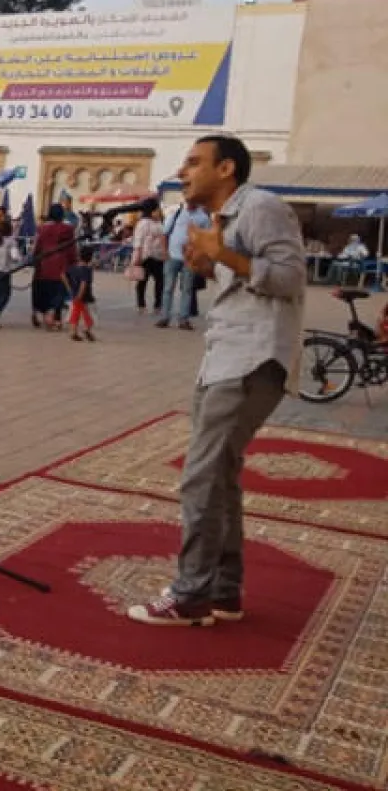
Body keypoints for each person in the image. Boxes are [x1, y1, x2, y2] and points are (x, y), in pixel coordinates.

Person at [128, 135, 307, 627]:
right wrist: (209, 264)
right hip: (225, 355)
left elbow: (290, 278)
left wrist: (224, 256)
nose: (182, 172)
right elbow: (246, 282)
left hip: (252, 358)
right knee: (220, 476)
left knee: (201, 475)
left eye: (193, 162)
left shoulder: (261, 207)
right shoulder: (221, 219)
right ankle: (224, 592)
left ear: (226, 168)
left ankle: (191, 595)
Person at [156, 202, 209, 331]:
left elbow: (206, 238)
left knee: (187, 289)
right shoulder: (176, 213)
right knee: (168, 288)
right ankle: (164, 317)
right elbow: (164, 234)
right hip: (172, 257)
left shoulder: (203, 217)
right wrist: (165, 252)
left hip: (190, 259)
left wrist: (198, 254)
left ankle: (184, 319)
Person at [31, 203, 76, 330]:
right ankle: (55, 319)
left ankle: (43, 315)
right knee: (58, 294)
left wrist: (34, 259)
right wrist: (73, 262)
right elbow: (71, 248)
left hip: (43, 265)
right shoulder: (68, 229)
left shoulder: (42, 228)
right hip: (60, 266)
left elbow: (37, 246)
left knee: (43, 292)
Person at [131, 203, 166, 315]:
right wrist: (138, 255)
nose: (159, 212)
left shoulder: (160, 223)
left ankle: (158, 305)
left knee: (160, 282)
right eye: (157, 210)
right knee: (142, 281)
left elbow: (164, 238)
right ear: (151, 211)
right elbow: (138, 240)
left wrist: (165, 252)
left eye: (159, 211)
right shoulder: (143, 223)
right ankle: (141, 305)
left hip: (158, 256)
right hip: (145, 256)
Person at [66, 245, 97, 342]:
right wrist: (80, 295)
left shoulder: (73, 268)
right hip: (84, 296)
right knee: (89, 314)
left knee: (76, 313)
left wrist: (70, 289)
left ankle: (74, 332)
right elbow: (83, 283)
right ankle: (87, 329)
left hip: (74, 294)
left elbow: (64, 276)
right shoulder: (87, 270)